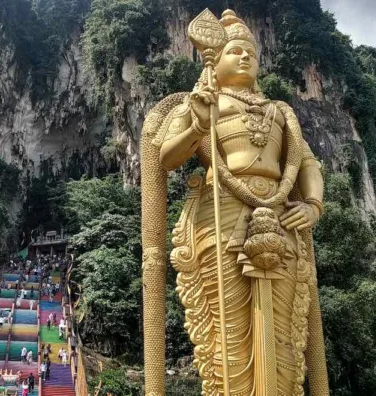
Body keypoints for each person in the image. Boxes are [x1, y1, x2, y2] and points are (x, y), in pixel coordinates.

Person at [140, 9, 329, 395]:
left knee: (285, 337)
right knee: (228, 338)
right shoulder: (202, 103)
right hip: (220, 218)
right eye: (235, 51)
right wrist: (197, 122)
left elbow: (306, 162)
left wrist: (312, 204)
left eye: (251, 53)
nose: (245, 57)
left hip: (281, 221)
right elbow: (166, 158)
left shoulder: (280, 111)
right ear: (215, 60)